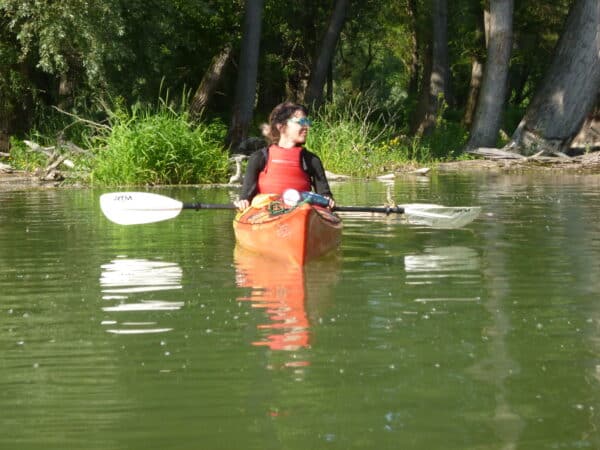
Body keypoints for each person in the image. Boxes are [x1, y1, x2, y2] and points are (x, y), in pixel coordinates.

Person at [234, 102, 335, 210]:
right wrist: (243, 202)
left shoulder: (311, 160)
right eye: (301, 122)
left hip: (301, 212)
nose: (306, 126)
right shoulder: (259, 158)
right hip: (266, 213)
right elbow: (246, 197)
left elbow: (325, 195)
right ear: (281, 126)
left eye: (307, 122)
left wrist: (328, 201)